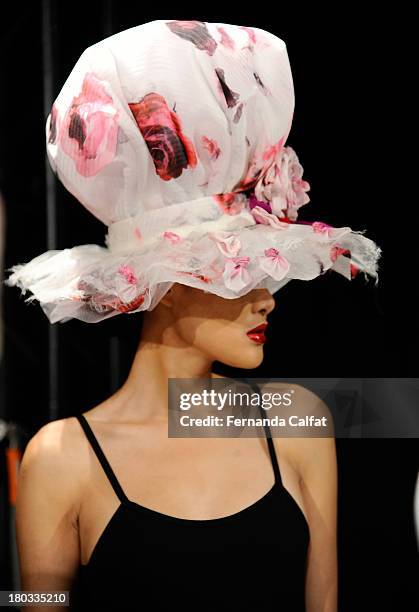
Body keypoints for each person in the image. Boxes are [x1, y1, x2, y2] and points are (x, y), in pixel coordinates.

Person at [4, 19, 381, 611]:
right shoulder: (60, 456)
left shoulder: (296, 423)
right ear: (170, 283)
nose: (268, 296)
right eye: (238, 271)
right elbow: (33, 605)